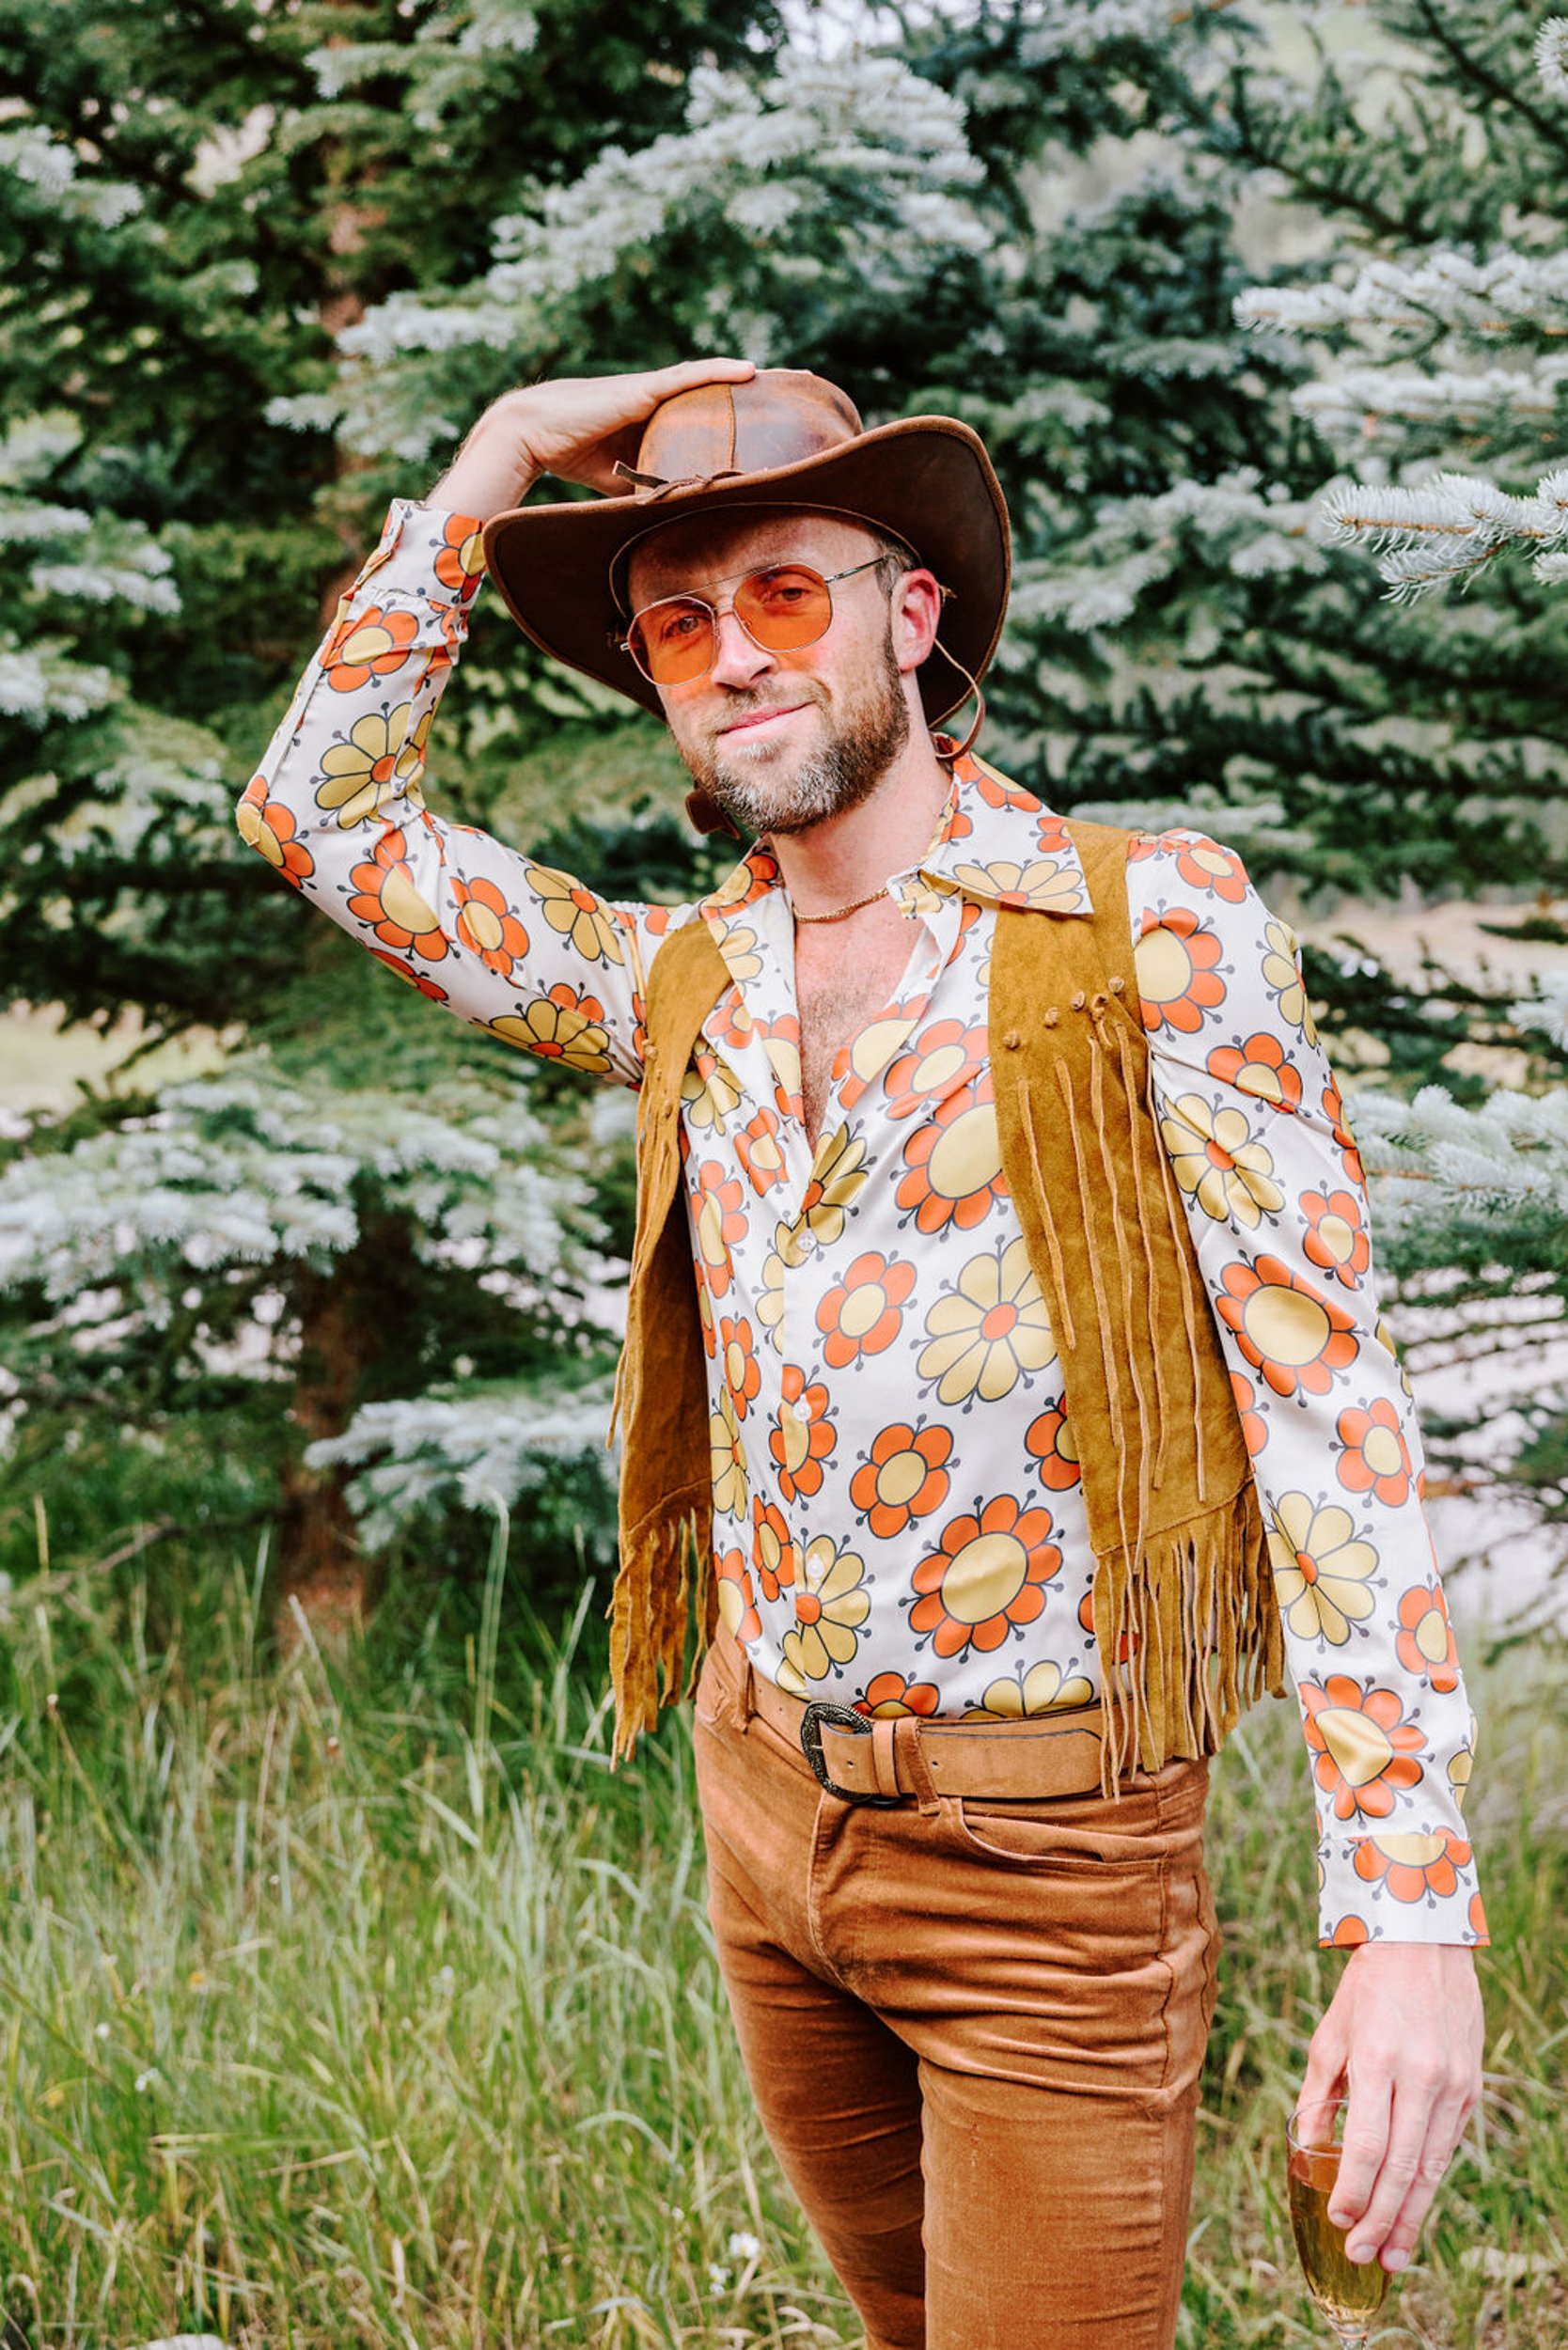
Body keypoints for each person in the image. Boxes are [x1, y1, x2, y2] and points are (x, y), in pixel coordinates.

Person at [239, 357, 1486, 2350]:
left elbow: (1324, 1403)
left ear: (913, 614)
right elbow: (320, 816)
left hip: (1048, 1868)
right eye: (677, 621)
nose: (733, 652)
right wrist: (496, 457)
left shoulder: (1148, 928)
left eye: (785, 593)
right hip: (766, 1818)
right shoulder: (683, 981)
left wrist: (1408, 1909)